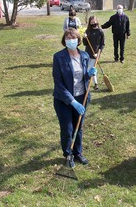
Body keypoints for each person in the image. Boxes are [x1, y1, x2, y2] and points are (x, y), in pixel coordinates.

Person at [52, 28, 97, 168]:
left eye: (73, 37)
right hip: (64, 100)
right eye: (67, 38)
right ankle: (68, 154)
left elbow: (83, 77)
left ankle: (78, 152)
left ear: (78, 40)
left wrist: (90, 74)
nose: (70, 40)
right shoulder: (59, 57)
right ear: (64, 41)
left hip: (82, 98)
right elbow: (58, 84)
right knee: (67, 128)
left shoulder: (84, 55)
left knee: (79, 127)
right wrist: (72, 101)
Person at [83, 16, 105, 90]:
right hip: (88, 53)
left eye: (94, 21)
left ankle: (95, 83)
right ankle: (90, 82)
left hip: (95, 54)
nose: (93, 23)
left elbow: (102, 44)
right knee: (88, 68)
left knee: (92, 68)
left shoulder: (100, 31)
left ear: (97, 21)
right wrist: (84, 37)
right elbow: (85, 44)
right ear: (89, 23)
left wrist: (98, 53)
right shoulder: (88, 31)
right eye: (91, 22)